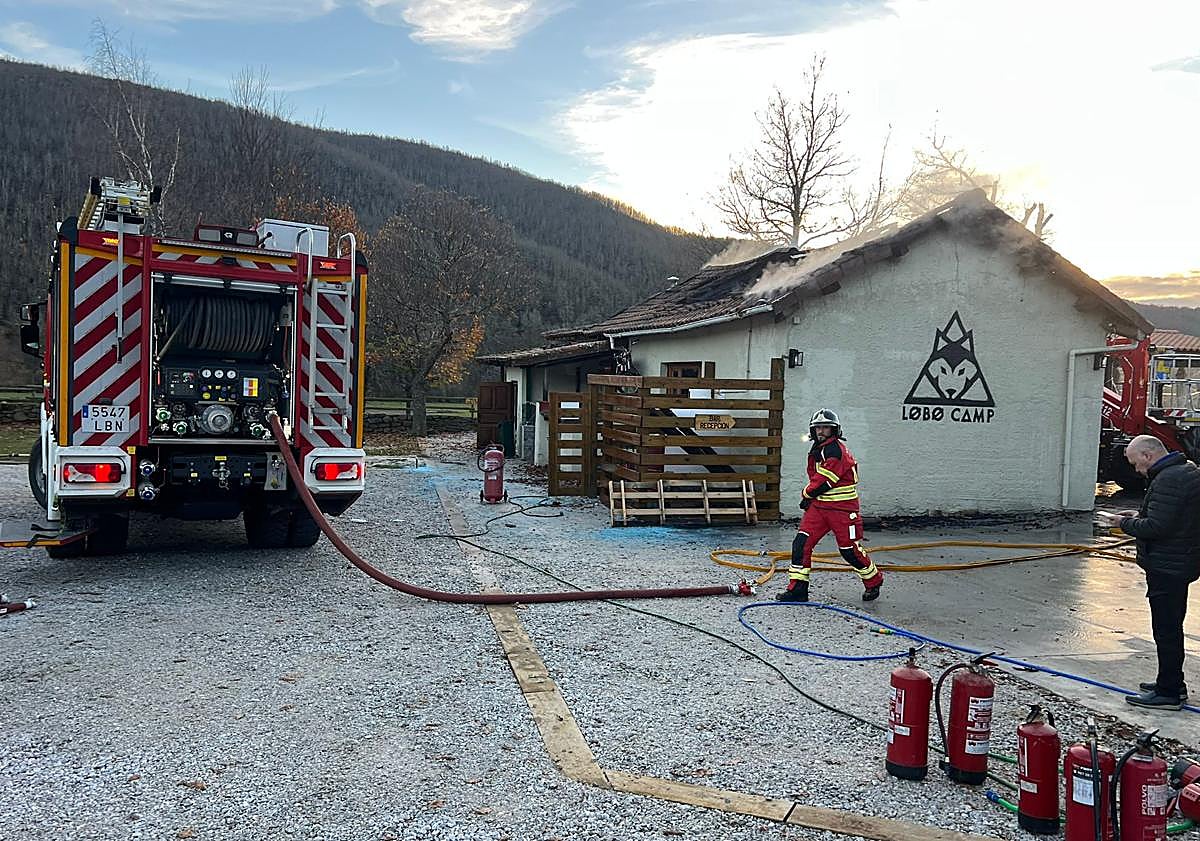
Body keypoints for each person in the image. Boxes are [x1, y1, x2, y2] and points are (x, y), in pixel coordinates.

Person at [1097, 434, 1200, 711]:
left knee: (1166, 630)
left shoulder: (1169, 479)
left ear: (1147, 455)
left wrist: (1124, 524)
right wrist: (1138, 514)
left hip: (1168, 566)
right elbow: (1167, 516)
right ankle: (1170, 682)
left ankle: (1169, 692)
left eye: (1135, 463)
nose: (1136, 470)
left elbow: (1157, 527)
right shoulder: (1184, 471)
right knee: (1170, 627)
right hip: (1179, 562)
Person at [777, 408, 884, 603]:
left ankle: (873, 580)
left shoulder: (835, 450)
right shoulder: (820, 448)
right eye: (817, 428)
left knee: (849, 550)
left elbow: (825, 481)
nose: (821, 431)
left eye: (825, 428)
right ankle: (798, 589)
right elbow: (818, 480)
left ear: (834, 430)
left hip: (842, 510)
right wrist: (811, 498)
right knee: (801, 544)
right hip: (819, 507)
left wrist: (806, 494)